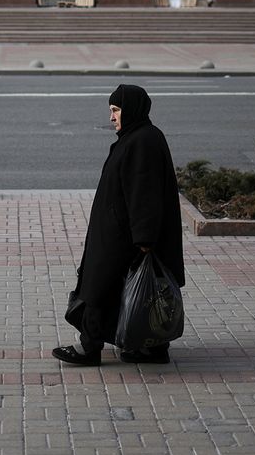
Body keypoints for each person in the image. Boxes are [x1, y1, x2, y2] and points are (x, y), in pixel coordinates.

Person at [53, 84, 185, 366]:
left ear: (131, 109)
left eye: (116, 110)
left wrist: (144, 239)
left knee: (99, 288)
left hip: (125, 236)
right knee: (129, 290)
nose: (112, 117)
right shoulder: (140, 136)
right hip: (125, 232)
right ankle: (152, 347)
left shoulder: (142, 142)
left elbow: (144, 194)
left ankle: (89, 348)